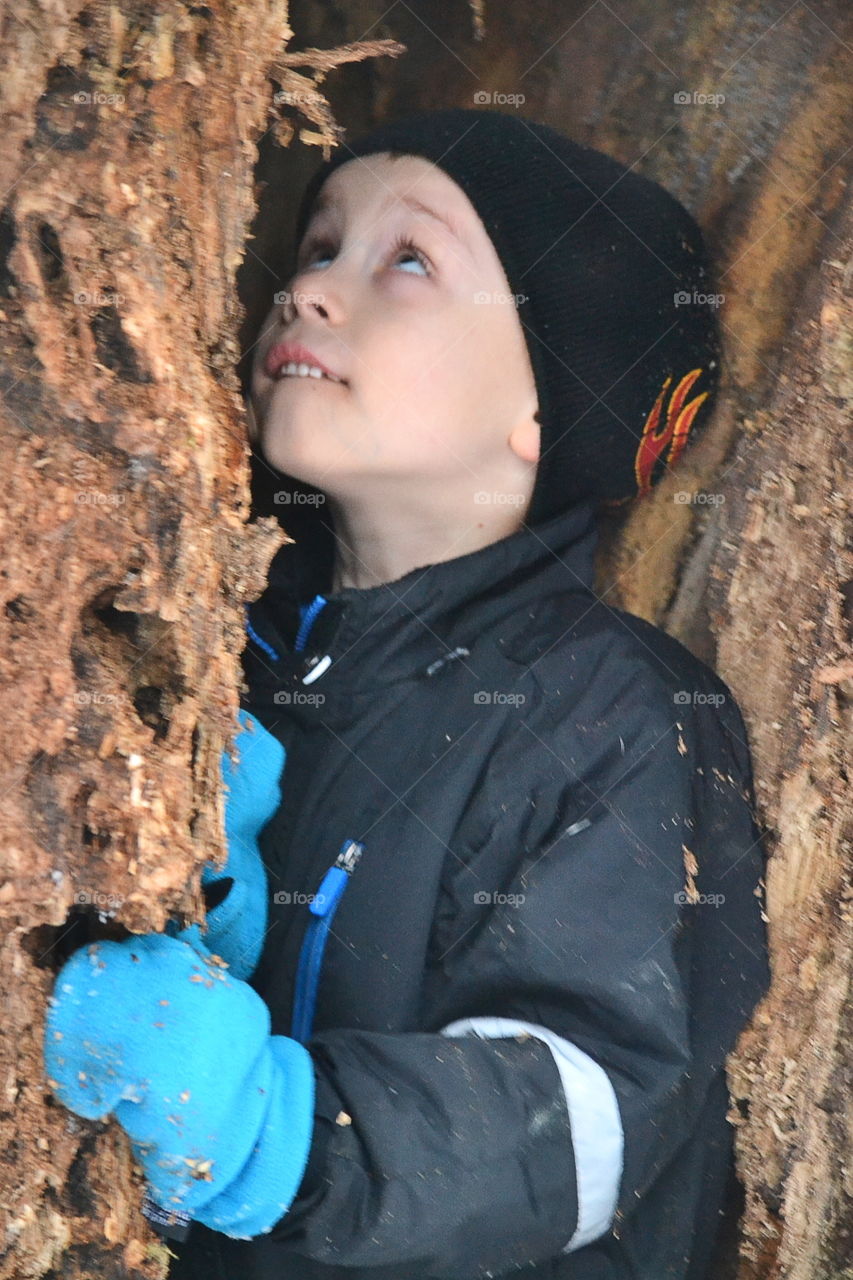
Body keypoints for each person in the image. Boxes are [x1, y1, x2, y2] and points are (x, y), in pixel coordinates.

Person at [44, 108, 771, 1280]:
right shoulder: (229, 651)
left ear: (540, 408)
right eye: (319, 245)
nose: (313, 290)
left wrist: (280, 1133)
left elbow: (585, 1110)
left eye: (409, 261)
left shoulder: (611, 711)